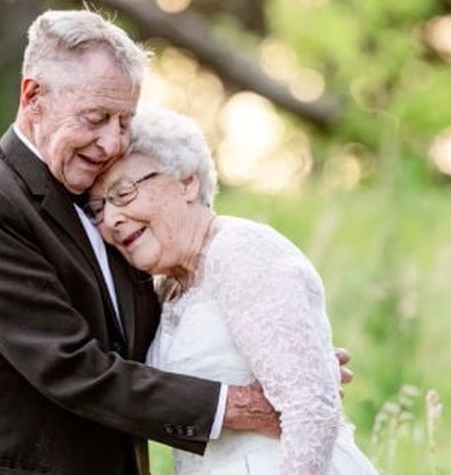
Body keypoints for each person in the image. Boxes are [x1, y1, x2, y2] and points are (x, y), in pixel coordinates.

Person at [0, 9, 352, 475]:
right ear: (33, 96)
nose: (111, 142)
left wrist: (279, 353)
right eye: (96, 117)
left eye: (123, 121)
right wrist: (243, 403)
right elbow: (68, 366)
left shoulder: (105, 209)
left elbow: (151, 345)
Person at [87, 105, 379, 474]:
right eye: (97, 208)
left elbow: (312, 407)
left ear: (187, 182)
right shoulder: (168, 289)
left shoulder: (239, 249)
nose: (111, 219)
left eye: (124, 193)